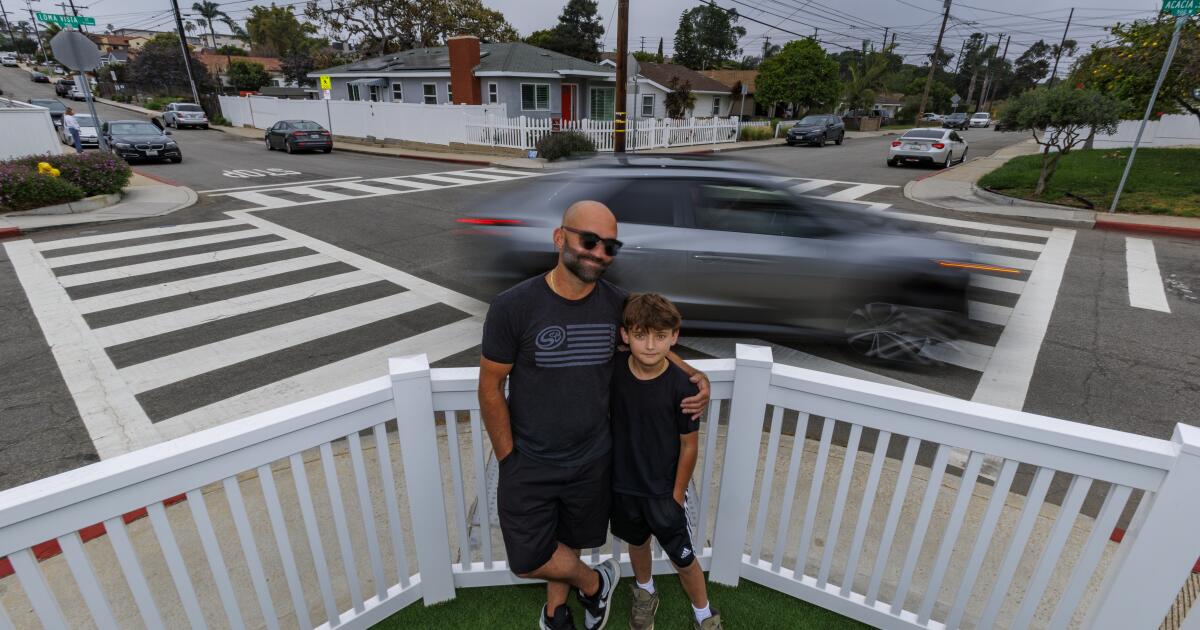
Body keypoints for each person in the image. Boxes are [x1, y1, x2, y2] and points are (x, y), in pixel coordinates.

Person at [479, 200, 710, 630]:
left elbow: (651, 337)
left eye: (609, 246)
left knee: (570, 539)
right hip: (529, 458)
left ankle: (556, 613)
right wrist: (508, 457)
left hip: (592, 459)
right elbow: (490, 387)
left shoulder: (616, 305)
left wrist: (696, 376)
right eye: (589, 241)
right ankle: (595, 584)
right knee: (527, 559)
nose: (599, 252)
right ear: (559, 238)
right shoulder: (513, 306)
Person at [610, 293, 722, 630]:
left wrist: (676, 495)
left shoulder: (683, 387)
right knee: (637, 542)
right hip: (623, 487)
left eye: (660, 336)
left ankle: (704, 614)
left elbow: (689, 446)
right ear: (625, 335)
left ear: (674, 337)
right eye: (640, 335)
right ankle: (645, 592)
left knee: (683, 558)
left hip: (664, 491)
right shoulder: (613, 370)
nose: (649, 345)